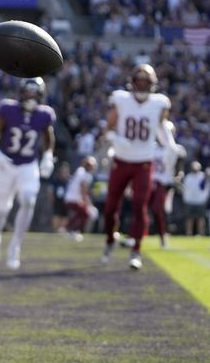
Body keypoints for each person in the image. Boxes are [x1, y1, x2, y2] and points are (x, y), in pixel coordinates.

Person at [101, 63, 171, 269]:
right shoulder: (121, 99)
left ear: (152, 84)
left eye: (145, 81)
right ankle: (109, 240)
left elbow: (160, 127)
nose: (141, 84)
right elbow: (108, 128)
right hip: (121, 159)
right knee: (110, 208)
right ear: (132, 82)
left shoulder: (159, 104)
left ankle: (136, 251)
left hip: (143, 162)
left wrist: (170, 145)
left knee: (140, 206)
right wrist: (114, 137)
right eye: (138, 80)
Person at [0, 77, 56, 270]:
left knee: (28, 200)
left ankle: (15, 247)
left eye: (35, 93)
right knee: (1, 209)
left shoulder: (44, 114)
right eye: (28, 91)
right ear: (21, 92)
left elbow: (48, 136)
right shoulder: (8, 109)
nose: (31, 96)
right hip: (7, 165)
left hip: (28, 165)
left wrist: (48, 156)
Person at [149, 121, 186, 247]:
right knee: (140, 206)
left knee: (158, 209)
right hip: (150, 182)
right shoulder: (151, 147)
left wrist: (177, 178)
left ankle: (162, 234)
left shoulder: (176, 149)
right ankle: (136, 236)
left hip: (164, 183)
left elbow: (180, 169)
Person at [64, 156, 97, 242]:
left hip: (70, 197)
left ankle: (68, 228)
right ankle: (73, 230)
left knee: (81, 213)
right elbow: (83, 191)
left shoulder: (80, 171)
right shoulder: (86, 175)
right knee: (86, 213)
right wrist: (89, 204)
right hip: (73, 199)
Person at [182, 161, 209, 236]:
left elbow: (205, 188)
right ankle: (188, 234)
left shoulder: (203, 176)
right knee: (189, 219)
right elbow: (185, 189)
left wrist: (205, 198)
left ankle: (201, 233)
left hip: (200, 201)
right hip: (190, 201)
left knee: (201, 218)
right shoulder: (188, 177)